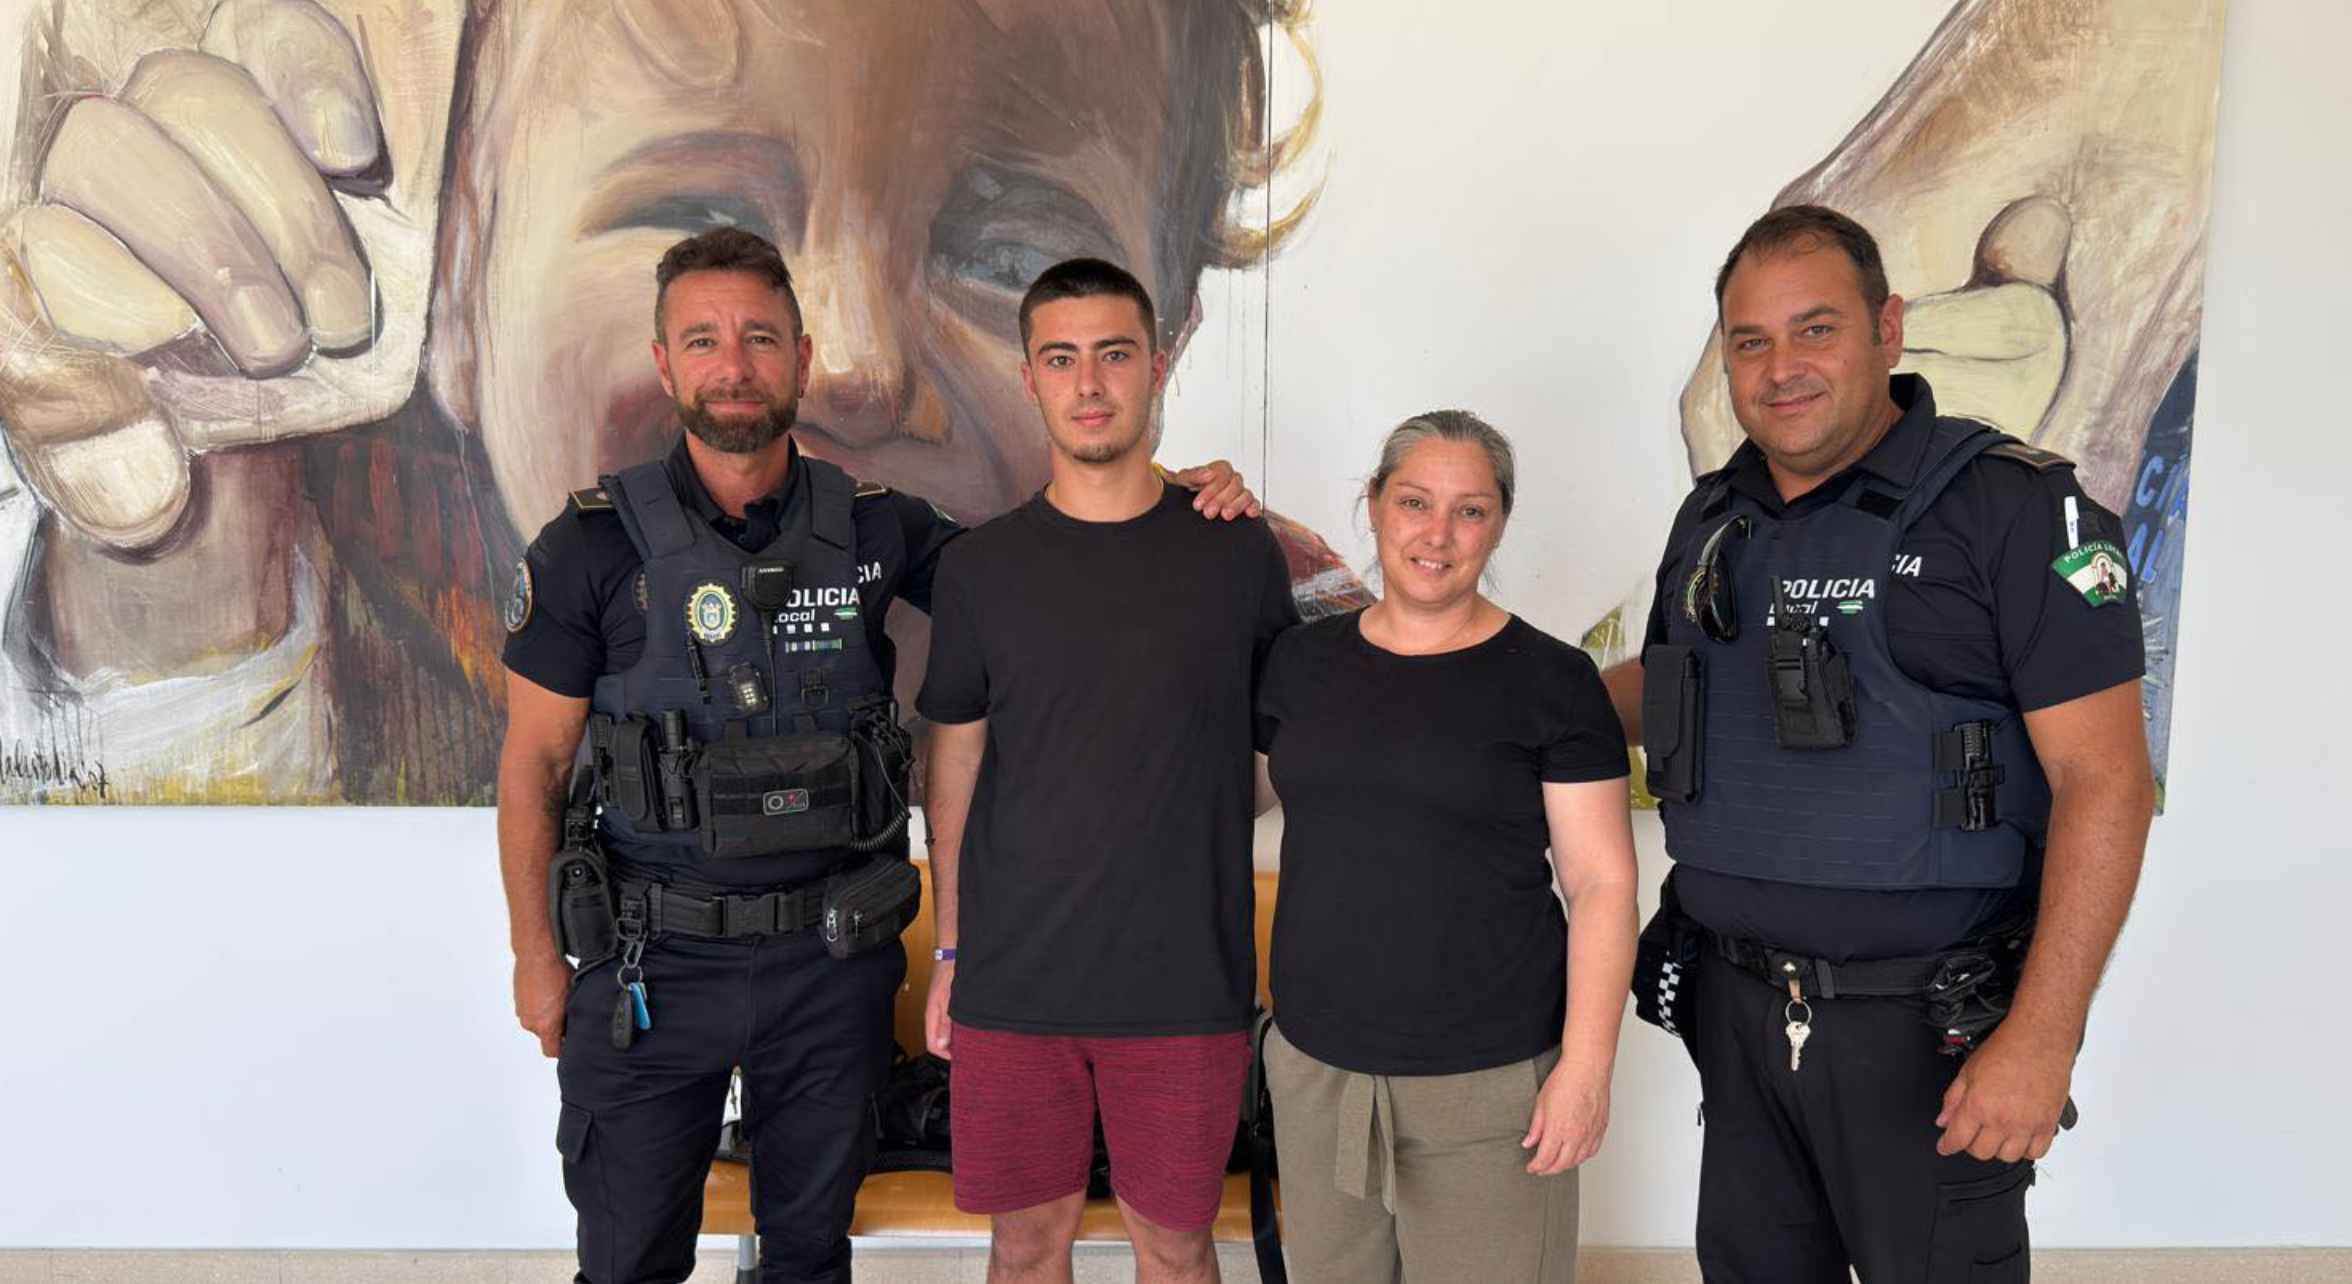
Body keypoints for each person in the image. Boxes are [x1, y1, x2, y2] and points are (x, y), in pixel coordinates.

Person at [0, 0, 1351, 804]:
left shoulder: (1245, 651)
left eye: (1007, 260)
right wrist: (178, 601)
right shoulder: (331, 598)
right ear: (455, 290)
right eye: (695, 226)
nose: (859, 359)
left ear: (1158, 353)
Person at [493, 229, 1257, 1284]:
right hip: (651, 959)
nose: (735, 365)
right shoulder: (588, 547)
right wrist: (537, 957)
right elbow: (532, 768)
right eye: (704, 340)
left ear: (803, 358)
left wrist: (1185, 496)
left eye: (761, 338)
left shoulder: (878, 529)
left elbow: (1053, 572)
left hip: (828, 963)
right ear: (664, 362)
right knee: (625, 1263)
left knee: (810, 1256)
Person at [1606, 205, 2155, 1282]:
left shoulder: (2014, 509)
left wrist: (2045, 1039)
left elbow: (2106, 783)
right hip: (1740, 1014)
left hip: (1930, 1031)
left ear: (1888, 330)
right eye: (1748, 341)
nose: (1779, 369)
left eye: (1814, 330)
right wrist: (1496, 697)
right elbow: (1665, 689)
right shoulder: (1714, 516)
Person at [917, 257, 1302, 1284]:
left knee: (1175, 1251)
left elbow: (1282, 754)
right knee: (1025, 1246)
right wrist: (951, 954)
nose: (1089, 384)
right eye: (1062, 358)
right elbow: (954, 767)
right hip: (1014, 984)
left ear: (1159, 365)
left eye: (1114, 355)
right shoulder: (979, 569)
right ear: (1028, 378)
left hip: (1183, 985)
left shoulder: (1235, 551)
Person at [1250, 411, 1638, 1283]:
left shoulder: (1551, 681)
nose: (1437, 533)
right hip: (1318, 1069)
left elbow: (1604, 884)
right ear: (1374, 505)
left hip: (1492, 1083)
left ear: (1500, 523)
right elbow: (1234, 797)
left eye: (1470, 511)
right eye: (1415, 501)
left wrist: (1584, 1069)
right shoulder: (1299, 665)